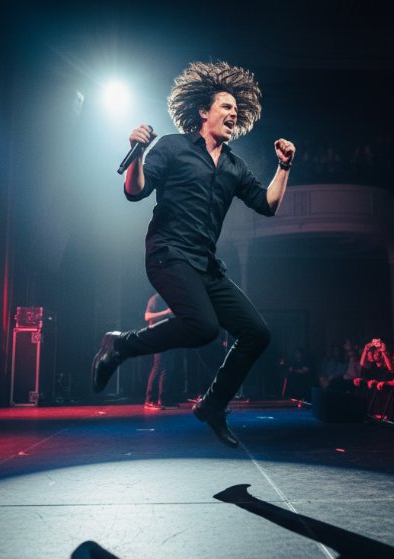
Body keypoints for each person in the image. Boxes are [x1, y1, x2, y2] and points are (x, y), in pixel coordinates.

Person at [90, 61, 296, 448]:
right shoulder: (172, 146)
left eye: (237, 110)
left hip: (205, 263)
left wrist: (284, 167)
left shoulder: (235, 166)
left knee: (257, 333)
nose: (233, 114)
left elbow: (268, 204)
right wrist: (135, 153)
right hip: (167, 252)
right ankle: (120, 345)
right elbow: (135, 191)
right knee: (202, 328)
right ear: (204, 112)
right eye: (225, 107)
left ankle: (213, 405)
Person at [143, 293, 179, 410]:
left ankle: (164, 400)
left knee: (168, 368)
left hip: (170, 337)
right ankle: (150, 400)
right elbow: (147, 316)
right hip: (158, 337)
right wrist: (166, 312)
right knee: (159, 367)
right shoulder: (156, 298)